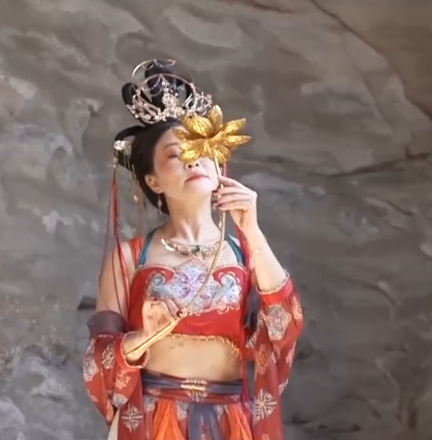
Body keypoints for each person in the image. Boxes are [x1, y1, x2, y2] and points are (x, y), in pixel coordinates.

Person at [82, 59, 304, 440]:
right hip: (153, 420)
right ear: (153, 179)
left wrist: (252, 232)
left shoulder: (245, 252)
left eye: (200, 147)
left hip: (230, 421)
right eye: (175, 154)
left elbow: (284, 326)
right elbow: (96, 362)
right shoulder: (131, 257)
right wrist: (144, 336)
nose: (192, 159)